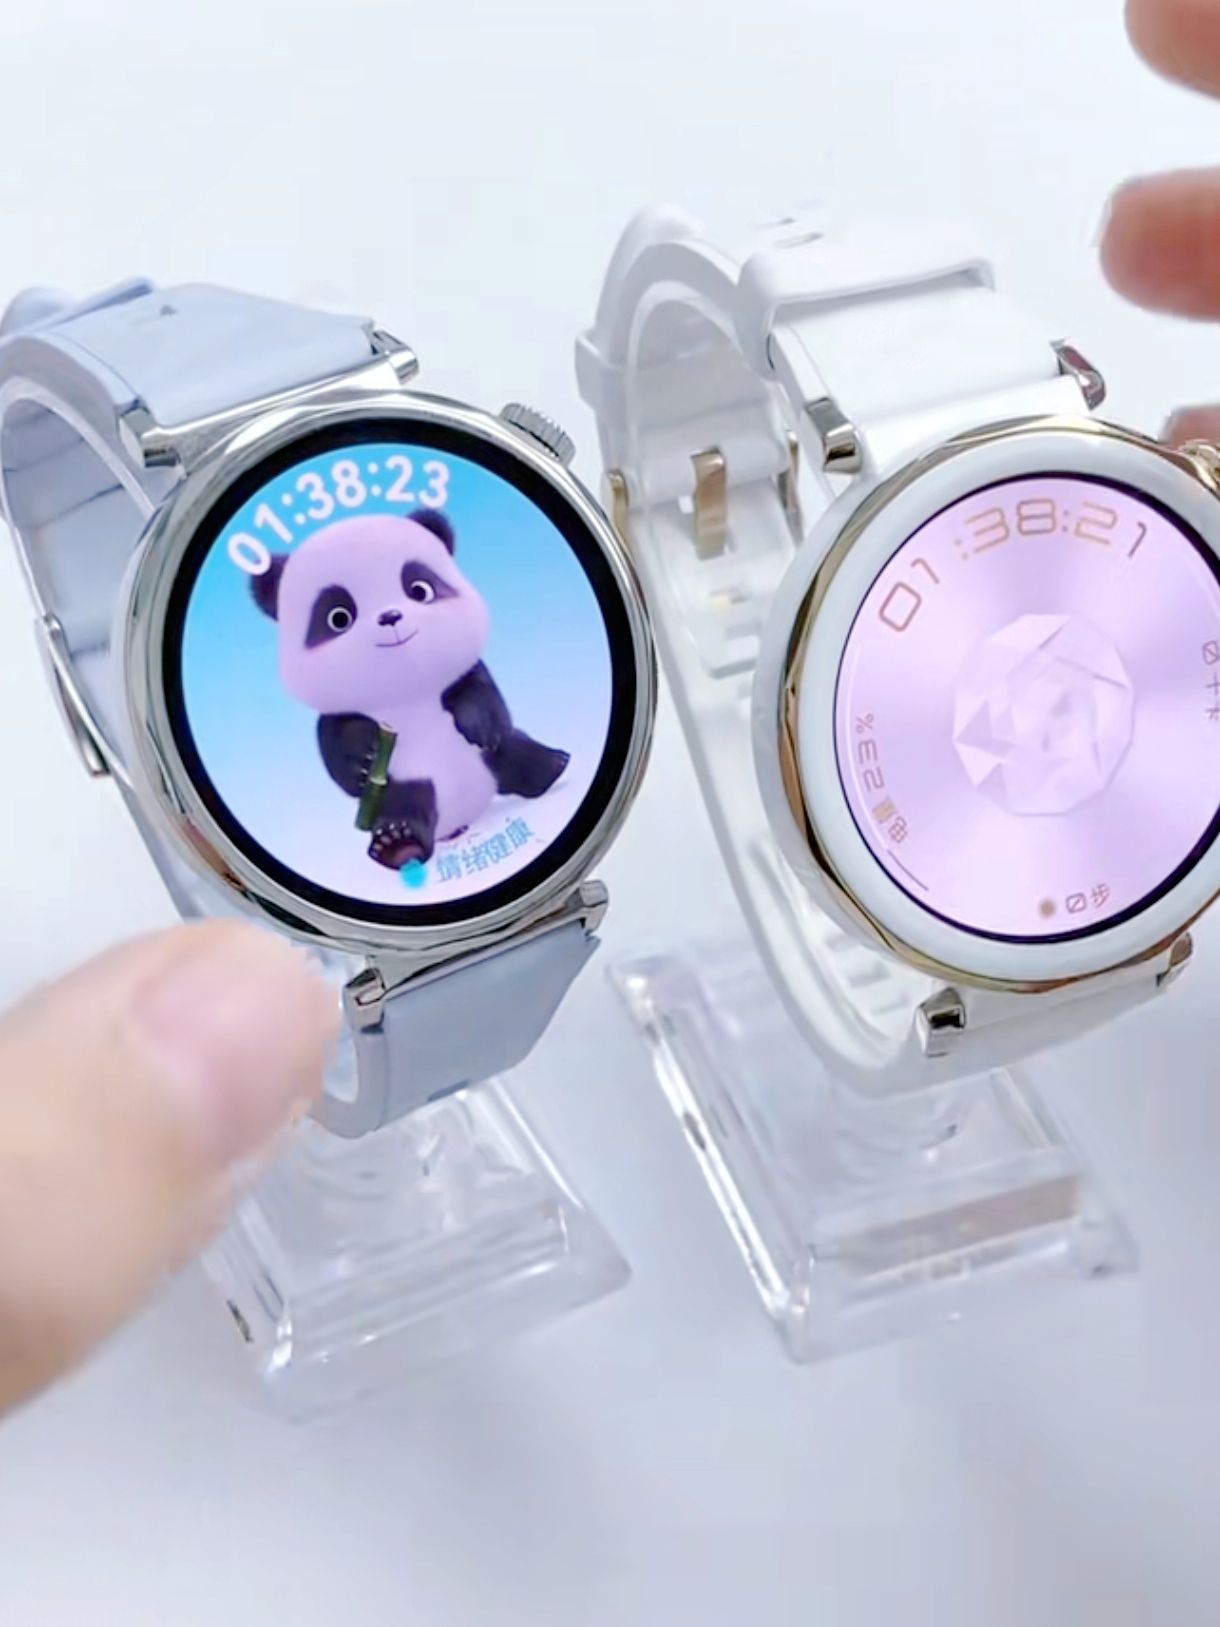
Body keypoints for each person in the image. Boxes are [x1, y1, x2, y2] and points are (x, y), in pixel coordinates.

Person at [0, 0, 1212, 1418]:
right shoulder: (299, 710)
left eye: (414, 588)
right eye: (335, 619)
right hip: (408, 897)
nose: (386, 624)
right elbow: (352, 768)